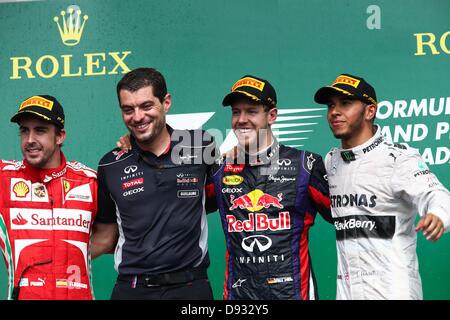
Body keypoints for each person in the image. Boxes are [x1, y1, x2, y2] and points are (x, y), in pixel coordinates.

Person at [314, 73, 450, 300]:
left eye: (345, 104)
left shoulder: (397, 158)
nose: (334, 112)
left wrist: (438, 215)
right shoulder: (331, 161)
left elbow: (437, 194)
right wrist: (237, 157)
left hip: (394, 292)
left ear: (370, 111)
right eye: (331, 105)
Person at [91, 67, 217, 300]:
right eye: (128, 109)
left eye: (146, 106)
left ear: (166, 102)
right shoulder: (111, 164)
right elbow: (107, 234)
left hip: (191, 288)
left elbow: (228, 188)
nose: (137, 117)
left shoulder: (200, 145)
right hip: (132, 289)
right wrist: (58, 261)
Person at [209, 75, 333, 300]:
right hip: (239, 297)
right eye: (236, 112)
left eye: (252, 111)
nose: (241, 119)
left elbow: (347, 216)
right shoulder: (219, 170)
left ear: (272, 115)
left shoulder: (305, 165)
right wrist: (137, 143)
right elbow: (179, 201)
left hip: (293, 294)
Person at [0, 95, 97, 300]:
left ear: (60, 136)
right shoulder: (4, 178)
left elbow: (112, 234)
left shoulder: (89, 182)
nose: (30, 140)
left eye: (40, 130)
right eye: (24, 131)